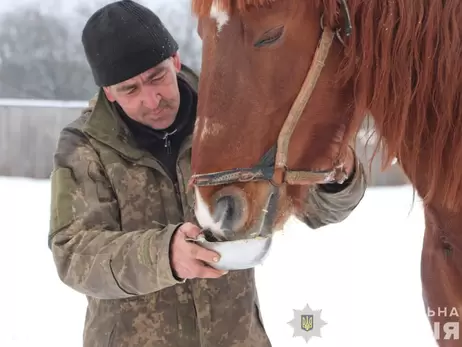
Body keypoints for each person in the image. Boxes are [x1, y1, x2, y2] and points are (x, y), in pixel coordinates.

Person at [47, 1, 367, 346]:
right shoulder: (85, 145)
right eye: (130, 89)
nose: (152, 99)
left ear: (175, 61)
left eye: (157, 77)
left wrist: (337, 178)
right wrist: (164, 254)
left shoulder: (231, 119)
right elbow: (74, 253)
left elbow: (312, 209)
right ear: (108, 92)